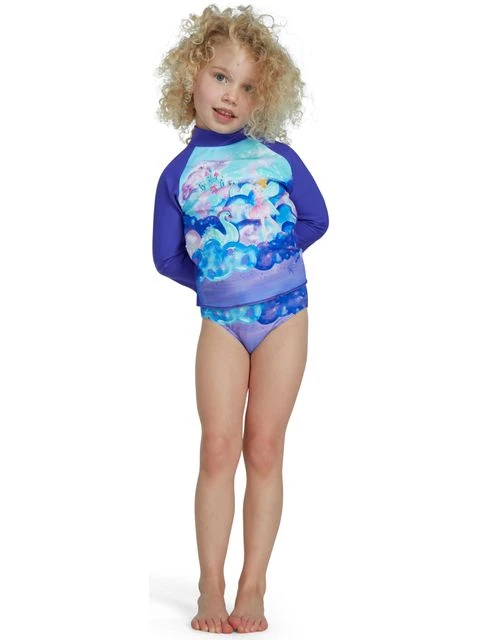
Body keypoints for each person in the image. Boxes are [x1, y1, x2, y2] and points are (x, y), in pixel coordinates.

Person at [152, 4, 329, 634]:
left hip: (285, 318)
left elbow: (317, 219)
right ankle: (210, 582)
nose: (232, 95)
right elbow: (166, 256)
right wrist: (222, 277)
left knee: (265, 448)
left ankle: (253, 584)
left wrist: (269, 261)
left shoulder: (278, 157)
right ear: (191, 78)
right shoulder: (178, 175)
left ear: (266, 97)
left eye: (249, 86)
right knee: (218, 448)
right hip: (222, 325)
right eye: (221, 77)